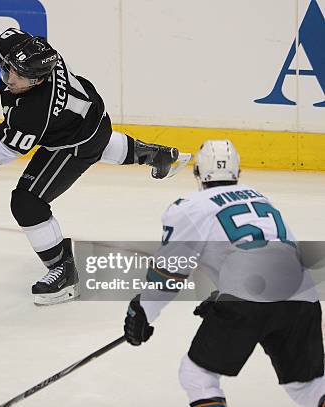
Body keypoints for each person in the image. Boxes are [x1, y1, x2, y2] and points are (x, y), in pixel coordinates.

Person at [0, 28, 183, 305]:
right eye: (8, 69)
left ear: (37, 80)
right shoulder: (26, 50)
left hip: (76, 142)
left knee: (27, 202)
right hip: (86, 118)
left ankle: (62, 269)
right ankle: (153, 154)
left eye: (17, 78)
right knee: (89, 140)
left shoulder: (34, 114)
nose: (9, 79)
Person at [123, 140, 324, 407]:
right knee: (309, 387)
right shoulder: (260, 197)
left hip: (247, 299)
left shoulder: (190, 206)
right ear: (238, 173)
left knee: (197, 376)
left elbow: (170, 273)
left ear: (197, 174)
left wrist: (144, 309)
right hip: (302, 294)